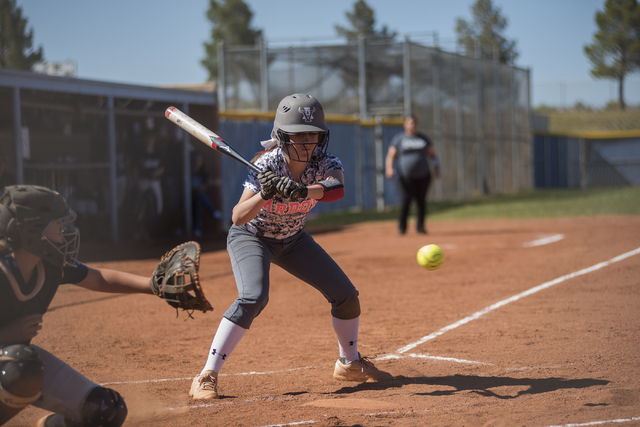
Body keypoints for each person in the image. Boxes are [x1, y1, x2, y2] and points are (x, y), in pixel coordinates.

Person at [189, 93, 392, 400]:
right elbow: (237, 216)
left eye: (313, 134)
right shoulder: (266, 164)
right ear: (283, 136)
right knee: (254, 297)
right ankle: (207, 375)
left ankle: (349, 363)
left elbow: (336, 189)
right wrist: (265, 193)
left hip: (294, 240)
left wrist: (302, 189)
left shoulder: (325, 161)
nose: (308, 142)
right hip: (252, 237)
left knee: (346, 295)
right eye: (299, 135)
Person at [0, 185, 155, 427]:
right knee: (19, 366)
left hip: (19, 360)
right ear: (31, 230)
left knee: (107, 410)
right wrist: (7, 335)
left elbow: (98, 277)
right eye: (56, 223)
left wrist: (153, 285)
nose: (64, 230)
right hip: (15, 363)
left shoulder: (49, 264)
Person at [385, 114, 440, 235]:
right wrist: (389, 168)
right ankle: (402, 228)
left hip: (423, 176)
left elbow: (433, 155)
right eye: (409, 122)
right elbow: (391, 155)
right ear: (405, 125)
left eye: (414, 123)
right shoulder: (399, 139)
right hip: (405, 177)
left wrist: (437, 168)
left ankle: (421, 227)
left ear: (417, 125)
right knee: (406, 200)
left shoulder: (423, 139)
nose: (412, 125)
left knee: (421, 201)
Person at [191, 152, 222, 238]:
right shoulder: (188, 173)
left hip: (198, 198)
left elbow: (204, 186)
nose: (197, 162)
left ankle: (196, 229)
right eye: (196, 160)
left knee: (199, 202)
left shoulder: (203, 174)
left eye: (199, 161)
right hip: (189, 198)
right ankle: (213, 211)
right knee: (198, 195)